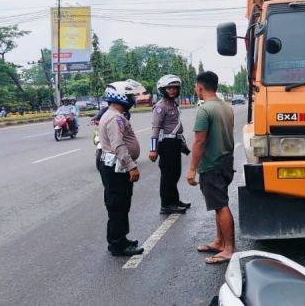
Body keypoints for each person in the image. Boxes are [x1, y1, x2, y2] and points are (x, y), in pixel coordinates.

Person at [187, 71, 236, 265]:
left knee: (221, 205)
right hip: (226, 162)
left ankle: (230, 249)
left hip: (212, 164)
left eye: (195, 87)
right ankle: (219, 242)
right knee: (218, 205)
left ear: (200, 87)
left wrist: (192, 169)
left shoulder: (204, 110)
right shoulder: (226, 107)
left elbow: (199, 141)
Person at [97, 79, 145, 257]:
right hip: (116, 168)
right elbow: (118, 145)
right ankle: (118, 245)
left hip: (116, 167)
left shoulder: (113, 115)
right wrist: (131, 166)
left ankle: (121, 239)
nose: (132, 99)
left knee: (121, 204)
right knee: (118, 205)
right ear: (120, 96)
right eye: (130, 95)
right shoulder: (115, 118)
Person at [149, 74, 191, 214]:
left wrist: (182, 145)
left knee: (175, 173)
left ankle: (174, 200)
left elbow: (177, 127)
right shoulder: (160, 107)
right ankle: (166, 204)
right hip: (166, 143)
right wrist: (153, 149)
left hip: (174, 142)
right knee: (168, 175)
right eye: (169, 88)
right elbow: (155, 128)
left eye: (175, 88)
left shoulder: (173, 104)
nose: (172, 90)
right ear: (162, 89)